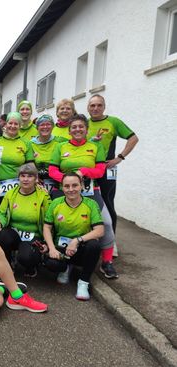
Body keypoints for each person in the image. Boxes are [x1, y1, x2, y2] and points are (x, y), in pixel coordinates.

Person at [48, 114, 117, 279]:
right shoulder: (61, 147)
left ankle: (107, 262)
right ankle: (62, 260)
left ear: (86, 129)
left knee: (106, 222)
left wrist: (84, 172)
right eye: (74, 127)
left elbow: (100, 170)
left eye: (81, 126)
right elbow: (52, 171)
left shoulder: (95, 146)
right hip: (64, 190)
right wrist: (69, 180)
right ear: (69, 130)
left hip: (90, 191)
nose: (77, 129)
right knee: (61, 224)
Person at [42, 173, 104, 300]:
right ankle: (65, 268)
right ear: (62, 188)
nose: (71, 189)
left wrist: (77, 240)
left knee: (94, 245)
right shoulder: (55, 203)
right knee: (49, 262)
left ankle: (83, 282)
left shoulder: (91, 204)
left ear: (81, 185)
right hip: (61, 249)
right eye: (67, 186)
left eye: (75, 185)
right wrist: (52, 248)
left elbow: (99, 231)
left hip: (80, 248)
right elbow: (47, 227)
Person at [87, 94, 139, 234]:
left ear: (104, 107)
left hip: (106, 168)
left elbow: (133, 138)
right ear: (88, 108)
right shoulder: (84, 123)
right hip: (89, 170)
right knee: (88, 202)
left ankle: (111, 240)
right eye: (92, 105)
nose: (96, 108)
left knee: (107, 202)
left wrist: (120, 157)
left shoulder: (113, 122)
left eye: (99, 105)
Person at [0, 164, 51, 277]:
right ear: (18, 178)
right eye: (22, 176)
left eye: (29, 176)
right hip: (14, 232)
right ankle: (7, 264)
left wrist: (47, 242)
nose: (25, 179)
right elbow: (1, 213)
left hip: (34, 235)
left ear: (36, 178)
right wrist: (0, 222)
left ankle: (32, 265)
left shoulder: (43, 195)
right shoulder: (11, 193)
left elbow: (50, 220)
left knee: (26, 257)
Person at [0, 111, 34, 217]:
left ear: (20, 125)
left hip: (20, 187)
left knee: (17, 217)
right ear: (6, 124)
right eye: (10, 123)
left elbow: (31, 166)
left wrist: (34, 182)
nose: (12, 126)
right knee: (0, 220)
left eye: (16, 124)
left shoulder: (26, 143)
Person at [30, 114, 67, 193]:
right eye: (42, 125)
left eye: (48, 124)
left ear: (53, 126)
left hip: (58, 182)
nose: (45, 127)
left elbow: (76, 143)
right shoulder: (30, 144)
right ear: (37, 127)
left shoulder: (61, 141)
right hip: (36, 183)